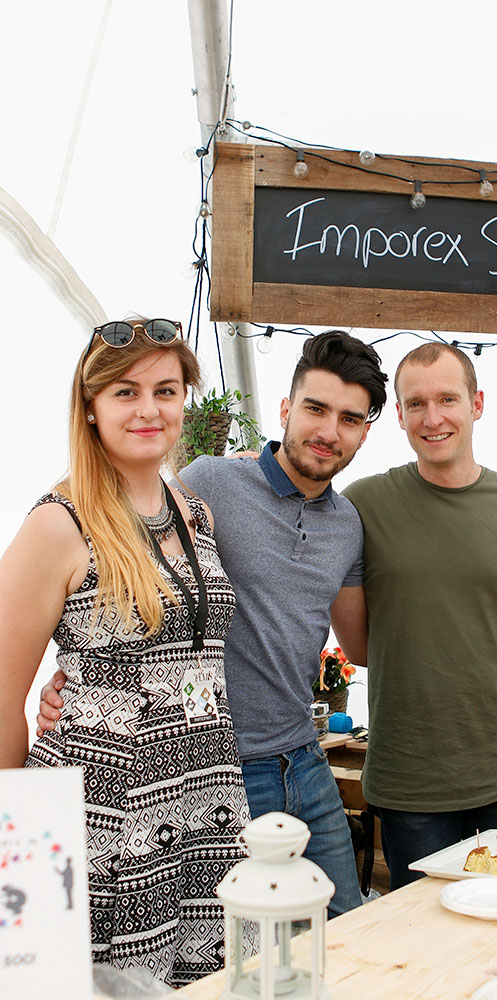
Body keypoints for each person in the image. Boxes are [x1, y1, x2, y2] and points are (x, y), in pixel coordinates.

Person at [38, 330, 389, 918]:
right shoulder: (208, 484)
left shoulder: (348, 523)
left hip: (305, 759)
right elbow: (122, 563)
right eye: (316, 408)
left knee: (348, 931)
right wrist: (72, 677)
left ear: (365, 431)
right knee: (236, 948)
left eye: (349, 419)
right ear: (285, 409)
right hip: (216, 768)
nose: (329, 431)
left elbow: (360, 643)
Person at [0, 319, 253, 985]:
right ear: (90, 405)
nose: (148, 410)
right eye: (125, 392)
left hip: (204, 802)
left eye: (166, 390)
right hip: (104, 816)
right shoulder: (58, 523)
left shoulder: (193, 510)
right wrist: (12, 845)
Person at [342, 342, 497, 890]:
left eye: (448, 398)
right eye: (415, 403)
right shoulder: (363, 505)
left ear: (477, 403)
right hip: (410, 784)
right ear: (398, 415)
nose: (433, 417)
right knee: (425, 950)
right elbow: (358, 650)